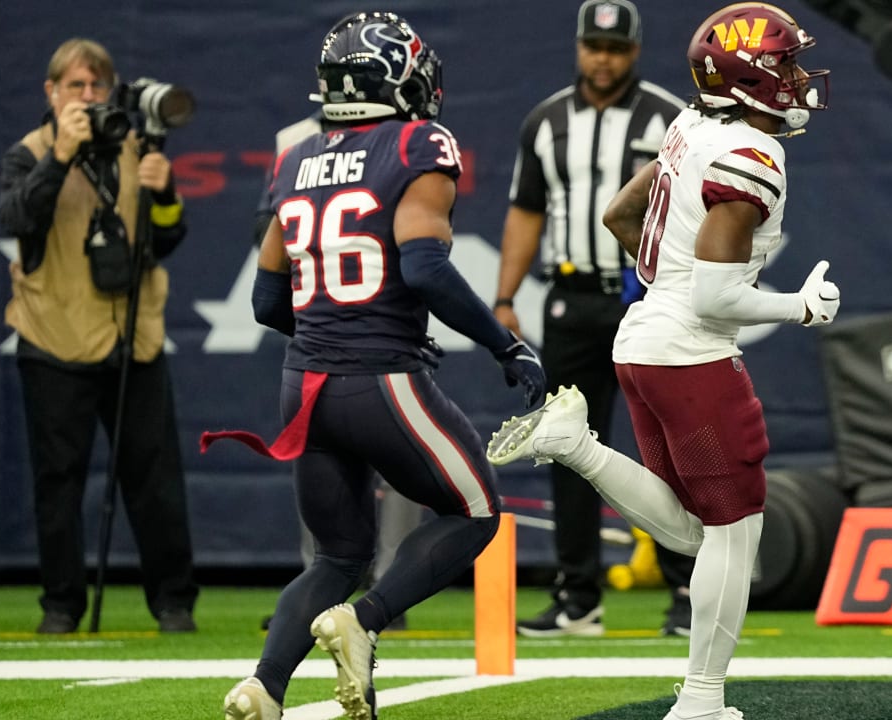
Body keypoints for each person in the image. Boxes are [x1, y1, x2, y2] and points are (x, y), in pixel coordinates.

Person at [488, 4, 837, 719]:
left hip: (641, 342)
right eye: (786, 66)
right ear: (749, 80)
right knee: (737, 534)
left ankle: (574, 445)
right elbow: (716, 295)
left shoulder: (690, 124)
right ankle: (702, 700)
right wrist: (798, 306)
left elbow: (621, 214)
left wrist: (671, 284)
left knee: (690, 529)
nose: (799, 79)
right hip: (690, 352)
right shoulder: (753, 154)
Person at [212, 12, 544, 720]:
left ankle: (263, 687)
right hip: (382, 377)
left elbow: (269, 298)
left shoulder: (296, 157)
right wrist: (504, 345)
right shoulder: (417, 142)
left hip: (303, 385)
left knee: (335, 554)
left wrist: (330, 332)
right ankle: (364, 622)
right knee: (477, 510)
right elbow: (424, 267)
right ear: (395, 79)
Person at [493, 0, 696, 638]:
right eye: (593, 46)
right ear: (579, 47)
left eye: (615, 48)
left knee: (663, 444)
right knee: (566, 442)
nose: (603, 59)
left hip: (646, 296)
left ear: (634, 51)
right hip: (571, 296)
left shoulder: (670, 118)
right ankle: (577, 594)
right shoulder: (546, 120)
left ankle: (688, 590)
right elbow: (526, 210)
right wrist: (504, 297)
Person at [0, 37, 198, 635]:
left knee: (155, 479)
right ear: (51, 93)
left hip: (132, 338)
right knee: (57, 484)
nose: (88, 98)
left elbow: (166, 237)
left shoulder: (137, 148)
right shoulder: (28, 152)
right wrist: (61, 154)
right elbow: (15, 219)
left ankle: (173, 602)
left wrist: (162, 194)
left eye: (97, 87)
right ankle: (61, 604)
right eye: (75, 87)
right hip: (53, 339)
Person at [252, 110, 424, 633]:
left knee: (331, 452)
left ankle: (350, 588)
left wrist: (303, 328)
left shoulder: (299, 145)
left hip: (321, 336)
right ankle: (364, 594)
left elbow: (268, 279)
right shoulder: (410, 141)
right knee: (435, 476)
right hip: (375, 329)